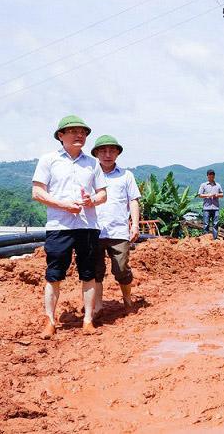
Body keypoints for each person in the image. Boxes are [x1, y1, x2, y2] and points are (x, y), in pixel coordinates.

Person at [32, 115, 107, 338]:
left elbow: (103, 193)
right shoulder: (48, 160)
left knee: (89, 274)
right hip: (59, 226)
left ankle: (87, 320)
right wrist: (64, 205)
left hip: (87, 226)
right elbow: (37, 192)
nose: (79, 135)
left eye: (83, 132)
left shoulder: (93, 163)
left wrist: (92, 200)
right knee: (54, 274)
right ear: (60, 136)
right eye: (73, 131)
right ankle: (50, 321)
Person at [90, 135, 141, 319]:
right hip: (94, 230)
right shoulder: (90, 175)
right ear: (96, 153)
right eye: (103, 150)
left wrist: (134, 224)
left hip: (119, 230)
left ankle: (127, 300)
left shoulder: (126, 175)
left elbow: (133, 200)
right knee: (95, 271)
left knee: (121, 269)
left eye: (112, 150)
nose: (107, 154)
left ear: (118, 153)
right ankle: (97, 307)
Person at [197, 169, 224, 239]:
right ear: (207, 176)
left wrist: (217, 195)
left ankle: (214, 238)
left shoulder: (218, 185)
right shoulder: (203, 185)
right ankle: (206, 238)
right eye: (210, 174)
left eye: (212, 174)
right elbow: (199, 195)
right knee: (206, 224)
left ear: (214, 176)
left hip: (215, 207)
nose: (211, 176)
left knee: (216, 224)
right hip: (207, 207)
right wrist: (207, 195)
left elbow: (222, 194)